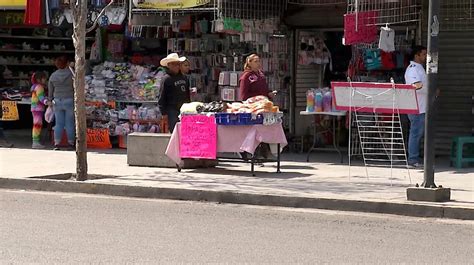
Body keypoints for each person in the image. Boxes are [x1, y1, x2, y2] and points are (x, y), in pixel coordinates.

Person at [239, 54, 276, 160]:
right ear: (249, 63)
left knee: (265, 128)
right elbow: (243, 95)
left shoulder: (261, 75)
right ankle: (249, 151)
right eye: (255, 61)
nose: (258, 63)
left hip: (263, 105)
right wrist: (255, 99)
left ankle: (264, 151)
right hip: (253, 106)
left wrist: (269, 94)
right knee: (254, 129)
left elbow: (264, 89)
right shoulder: (246, 76)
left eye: (259, 61)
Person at [404, 46, 427, 168]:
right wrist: (430, 89)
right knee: (416, 133)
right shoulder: (413, 69)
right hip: (416, 106)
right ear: (417, 56)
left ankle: (415, 157)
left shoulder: (420, 68)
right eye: (423, 54)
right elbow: (415, 86)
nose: (425, 57)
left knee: (418, 132)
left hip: (422, 106)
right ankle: (412, 159)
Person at [158, 53, 190, 133]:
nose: (176, 66)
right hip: (172, 110)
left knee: (185, 130)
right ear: (169, 65)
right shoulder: (166, 79)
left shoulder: (184, 78)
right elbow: (162, 96)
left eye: (177, 64)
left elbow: (187, 94)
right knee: (175, 131)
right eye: (173, 64)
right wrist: (163, 113)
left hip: (184, 108)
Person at [49, 56, 75, 150]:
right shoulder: (71, 74)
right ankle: (71, 143)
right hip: (69, 99)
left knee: (59, 123)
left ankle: (57, 143)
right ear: (66, 63)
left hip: (57, 100)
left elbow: (50, 90)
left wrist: (49, 100)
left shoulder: (53, 75)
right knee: (69, 123)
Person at [30, 71, 49, 149]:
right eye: (44, 78)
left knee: (36, 124)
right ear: (39, 79)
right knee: (37, 125)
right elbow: (41, 98)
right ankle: (35, 142)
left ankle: (36, 141)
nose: (45, 80)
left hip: (34, 108)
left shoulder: (34, 86)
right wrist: (47, 102)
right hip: (38, 109)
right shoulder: (40, 87)